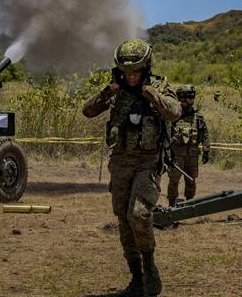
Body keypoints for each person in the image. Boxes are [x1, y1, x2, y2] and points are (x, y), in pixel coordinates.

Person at [82, 38, 181, 296]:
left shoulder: (158, 87)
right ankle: (137, 280)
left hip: (147, 162)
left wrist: (153, 96)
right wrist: (106, 92)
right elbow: (87, 111)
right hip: (121, 162)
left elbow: (175, 111)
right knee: (124, 221)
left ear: (145, 68)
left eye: (136, 71)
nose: (131, 76)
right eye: (126, 71)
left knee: (138, 214)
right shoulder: (116, 91)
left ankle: (150, 270)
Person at [167, 85, 210, 207]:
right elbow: (165, 135)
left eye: (193, 96)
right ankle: (171, 204)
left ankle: (190, 203)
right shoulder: (173, 116)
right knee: (174, 181)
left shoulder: (197, 117)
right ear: (181, 98)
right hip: (176, 156)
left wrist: (206, 150)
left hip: (192, 155)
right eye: (189, 96)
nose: (192, 99)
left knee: (191, 181)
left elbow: (205, 133)